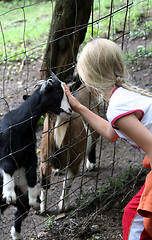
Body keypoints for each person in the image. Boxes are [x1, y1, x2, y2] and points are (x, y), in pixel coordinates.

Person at [63, 38, 152, 240]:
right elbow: (112, 134)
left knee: (138, 220)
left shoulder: (117, 107)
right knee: (134, 215)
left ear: (90, 78)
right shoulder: (123, 96)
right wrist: (78, 107)